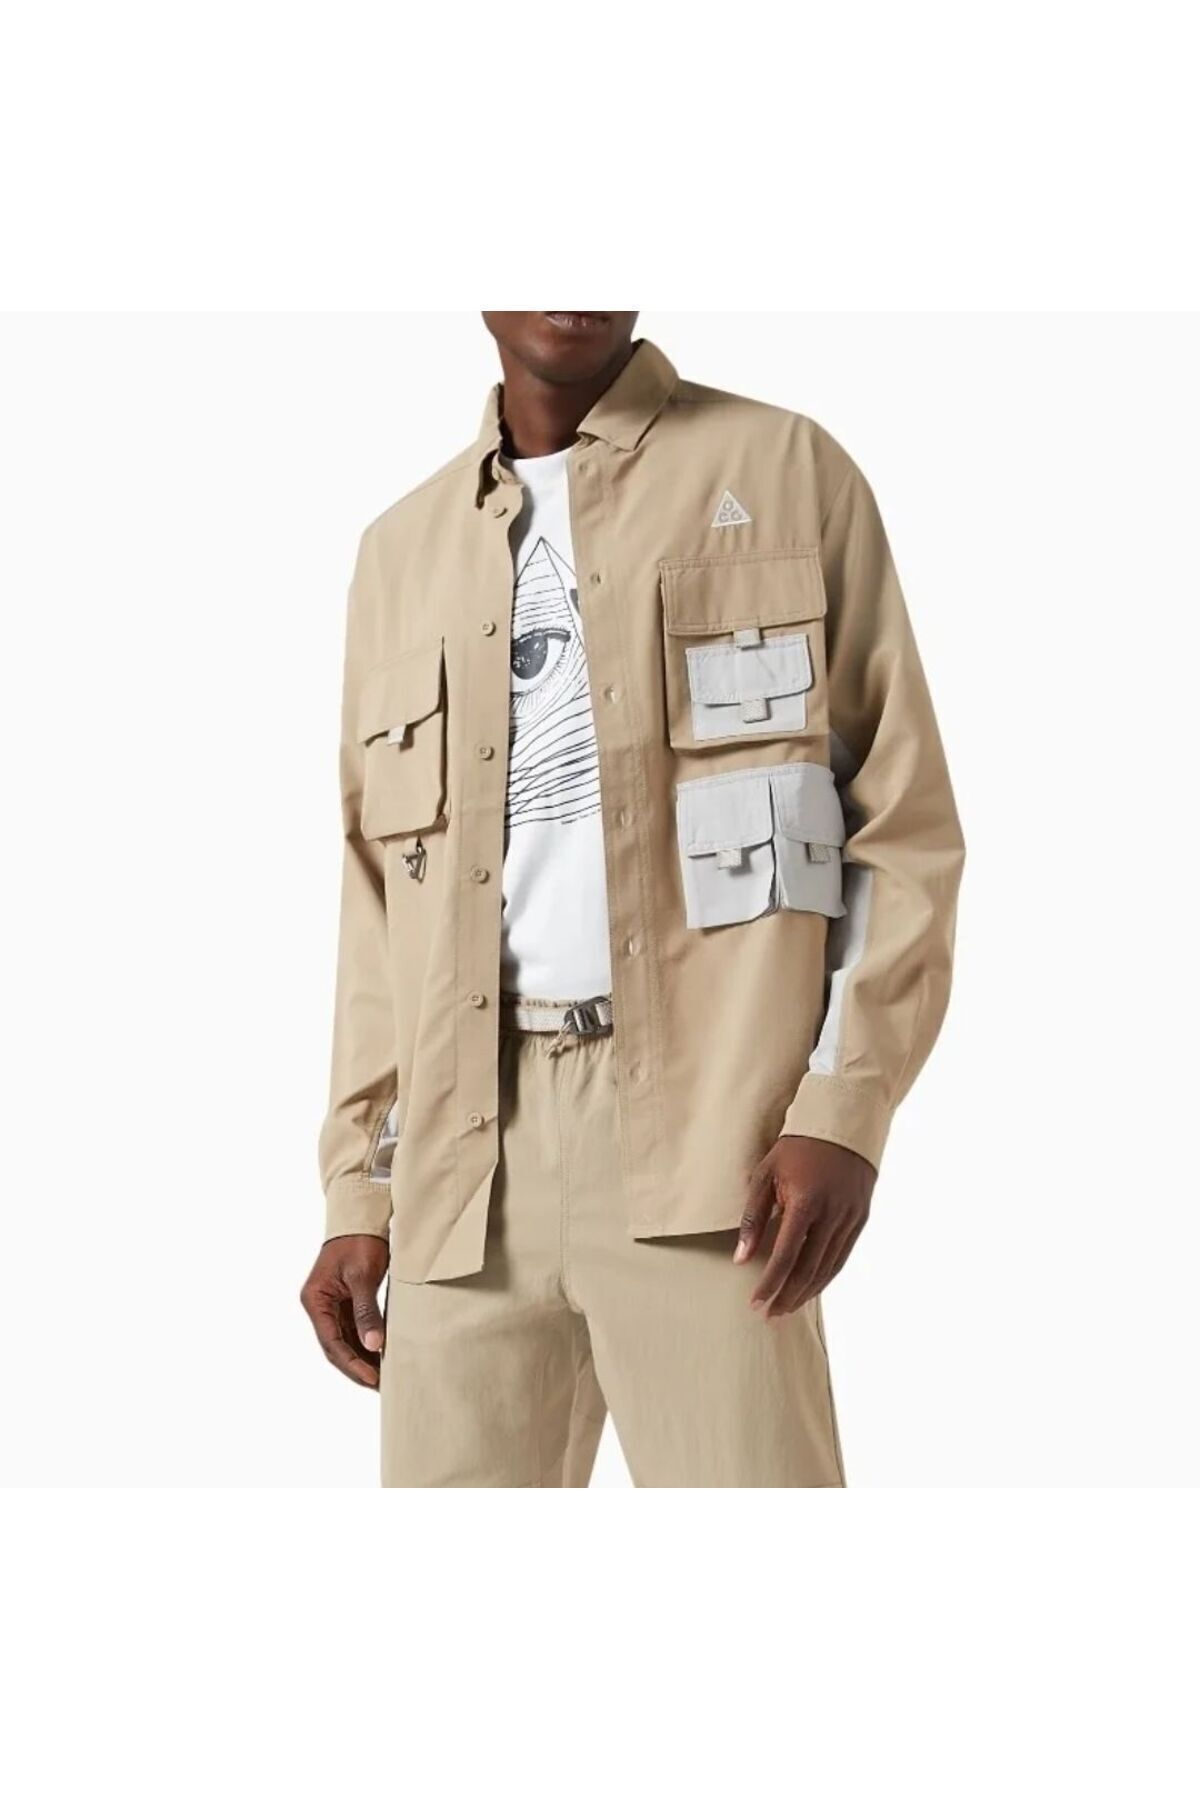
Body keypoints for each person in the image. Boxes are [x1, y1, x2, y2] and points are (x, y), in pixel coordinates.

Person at [300, 312, 964, 1487]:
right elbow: (377, 912)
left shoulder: (786, 469)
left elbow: (901, 824)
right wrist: (361, 1185)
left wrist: (841, 1107)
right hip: (463, 1172)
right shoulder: (399, 552)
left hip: (720, 1152)